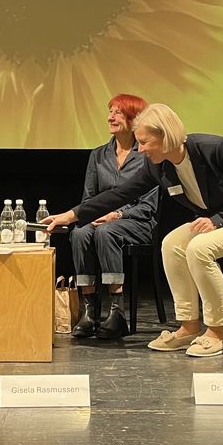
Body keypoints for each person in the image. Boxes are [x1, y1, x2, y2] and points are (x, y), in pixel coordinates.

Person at [44, 103, 223, 357]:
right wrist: (71, 215)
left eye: (145, 142)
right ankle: (189, 326)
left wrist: (218, 219)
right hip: (217, 222)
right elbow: (119, 194)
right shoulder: (159, 166)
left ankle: (218, 332)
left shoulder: (215, 148)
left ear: (165, 135)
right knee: (171, 244)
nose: (141, 149)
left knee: (199, 249)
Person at [69, 94, 158, 339]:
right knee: (79, 232)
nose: (110, 117)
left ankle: (116, 312)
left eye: (118, 112)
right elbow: (89, 199)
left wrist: (117, 214)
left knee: (107, 232)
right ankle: (89, 311)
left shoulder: (148, 155)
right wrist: (95, 215)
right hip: (102, 220)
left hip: (138, 223)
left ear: (134, 119)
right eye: (110, 111)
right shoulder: (98, 155)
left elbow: (148, 207)